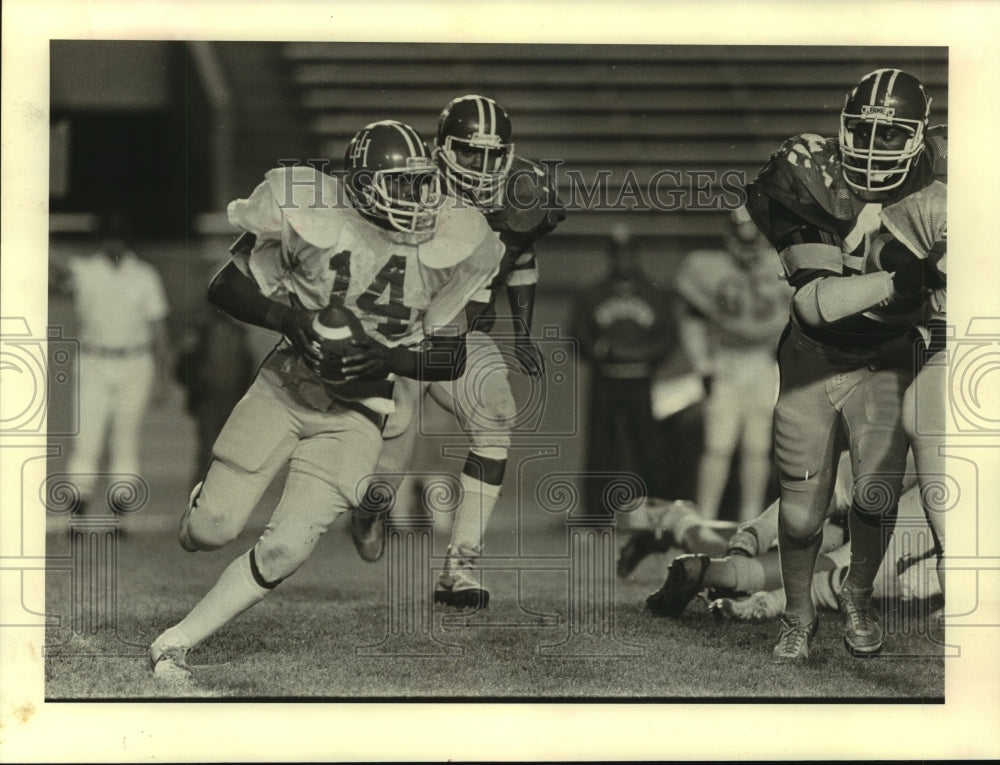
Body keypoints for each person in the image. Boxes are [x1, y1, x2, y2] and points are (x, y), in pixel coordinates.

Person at [149, 119, 505, 679]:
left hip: (360, 413)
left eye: (421, 184)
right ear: (362, 186)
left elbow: (450, 357)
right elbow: (224, 285)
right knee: (209, 531)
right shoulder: (314, 214)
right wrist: (295, 320)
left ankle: (176, 642)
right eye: (402, 185)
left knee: (286, 549)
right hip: (285, 386)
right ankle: (207, 505)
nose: (417, 200)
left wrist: (387, 361)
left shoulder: (449, 243)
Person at [744, 68, 947, 661]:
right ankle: (798, 614)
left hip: (889, 356)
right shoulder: (809, 172)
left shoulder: (947, 178)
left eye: (891, 136)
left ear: (920, 136)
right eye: (863, 131)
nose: (874, 146)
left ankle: (857, 593)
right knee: (804, 514)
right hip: (815, 356)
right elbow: (813, 305)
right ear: (842, 127)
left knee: (876, 495)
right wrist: (905, 276)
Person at [348, 94, 566, 611]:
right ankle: (368, 508)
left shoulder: (519, 194)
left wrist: (522, 331)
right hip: (401, 333)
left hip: (462, 334)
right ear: (442, 148)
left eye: (493, 156)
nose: (483, 167)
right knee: (390, 457)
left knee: (495, 414)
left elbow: (522, 254)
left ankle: (460, 565)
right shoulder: (411, 186)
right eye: (470, 153)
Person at [674, 206, 791, 524]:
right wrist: (702, 362)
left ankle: (750, 518)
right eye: (742, 241)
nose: (748, 249)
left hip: (763, 363)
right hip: (727, 361)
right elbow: (692, 321)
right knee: (718, 446)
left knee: (757, 447)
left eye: (754, 241)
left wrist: (784, 355)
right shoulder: (708, 267)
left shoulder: (781, 264)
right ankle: (707, 517)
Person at [51, 211, 170, 516]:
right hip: (94, 361)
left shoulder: (144, 274)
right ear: (99, 239)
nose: (114, 243)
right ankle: (78, 506)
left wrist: (162, 376)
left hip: (135, 362)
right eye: (108, 237)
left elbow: (159, 329)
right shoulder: (85, 270)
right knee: (86, 436)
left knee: (125, 437)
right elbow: (50, 263)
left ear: (128, 240)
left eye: (119, 237)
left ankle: (121, 512)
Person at [571, 225, 678, 519]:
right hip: (606, 379)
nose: (624, 260)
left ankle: (659, 514)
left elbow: (670, 336)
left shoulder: (654, 293)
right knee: (601, 449)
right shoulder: (593, 293)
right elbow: (577, 334)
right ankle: (595, 516)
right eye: (618, 254)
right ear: (610, 257)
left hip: (641, 380)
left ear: (637, 255)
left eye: (629, 253)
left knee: (649, 448)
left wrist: (647, 353)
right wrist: (604, 350)